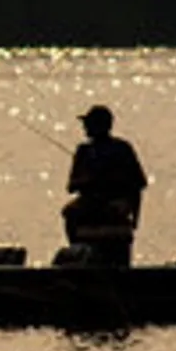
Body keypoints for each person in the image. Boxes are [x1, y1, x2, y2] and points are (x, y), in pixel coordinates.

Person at [61, 104, 148, 262]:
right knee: (69, 212)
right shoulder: (84, 151)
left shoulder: (122, 148)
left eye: (87, 123)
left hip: (115, 203)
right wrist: (89, 182)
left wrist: (135, 218)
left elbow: (137, 185)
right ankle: (78, 250)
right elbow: (71, 186)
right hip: (90, 202)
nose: (84, 127)